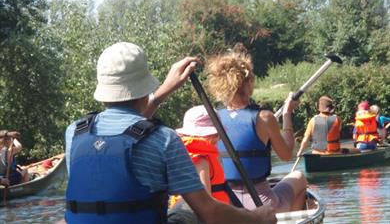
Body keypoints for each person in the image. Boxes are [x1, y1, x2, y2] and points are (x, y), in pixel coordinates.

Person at [64, 42, 276, 224]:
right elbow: (209, 213)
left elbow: (126, 131)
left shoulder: (75, 132)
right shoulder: (162, 138)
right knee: (189, 205)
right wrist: (257, 217)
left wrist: (163, 91)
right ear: (143, 88)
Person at [205, 46, 307, 213]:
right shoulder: (264, 117)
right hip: (263, 205)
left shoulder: (211, 118)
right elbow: (287, 155)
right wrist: (287, 114)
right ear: (249, 83)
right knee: (299, 177)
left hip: (227, 207)